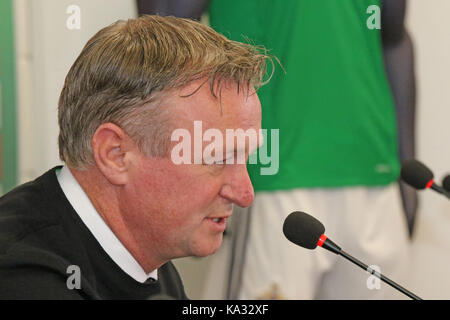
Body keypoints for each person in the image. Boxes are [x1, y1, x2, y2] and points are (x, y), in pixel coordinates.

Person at [138, 0, 417, 299]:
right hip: (270, 171)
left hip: (374, 173)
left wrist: (406, 160)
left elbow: (393, 37)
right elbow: (162, 24)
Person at [0, 15, 268, 299]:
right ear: (115, 154)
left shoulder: (145, 253)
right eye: (219, 159)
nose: (245, 194)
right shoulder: (24, 280)